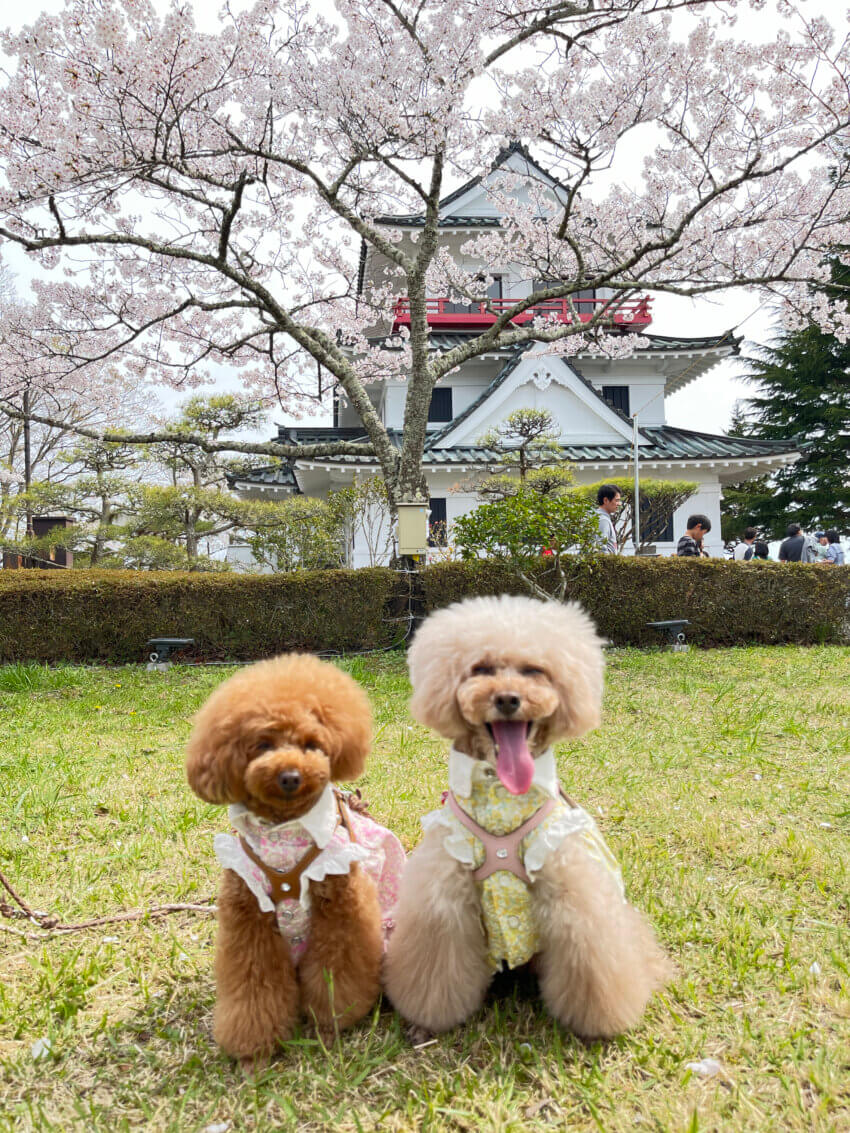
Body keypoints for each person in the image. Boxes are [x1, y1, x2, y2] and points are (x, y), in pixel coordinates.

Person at [595, 483, 621, 554]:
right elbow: (600, 548)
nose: (619, 504)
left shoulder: (600, 517)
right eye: (617, 500)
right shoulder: (603, 520)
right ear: (606, 500)